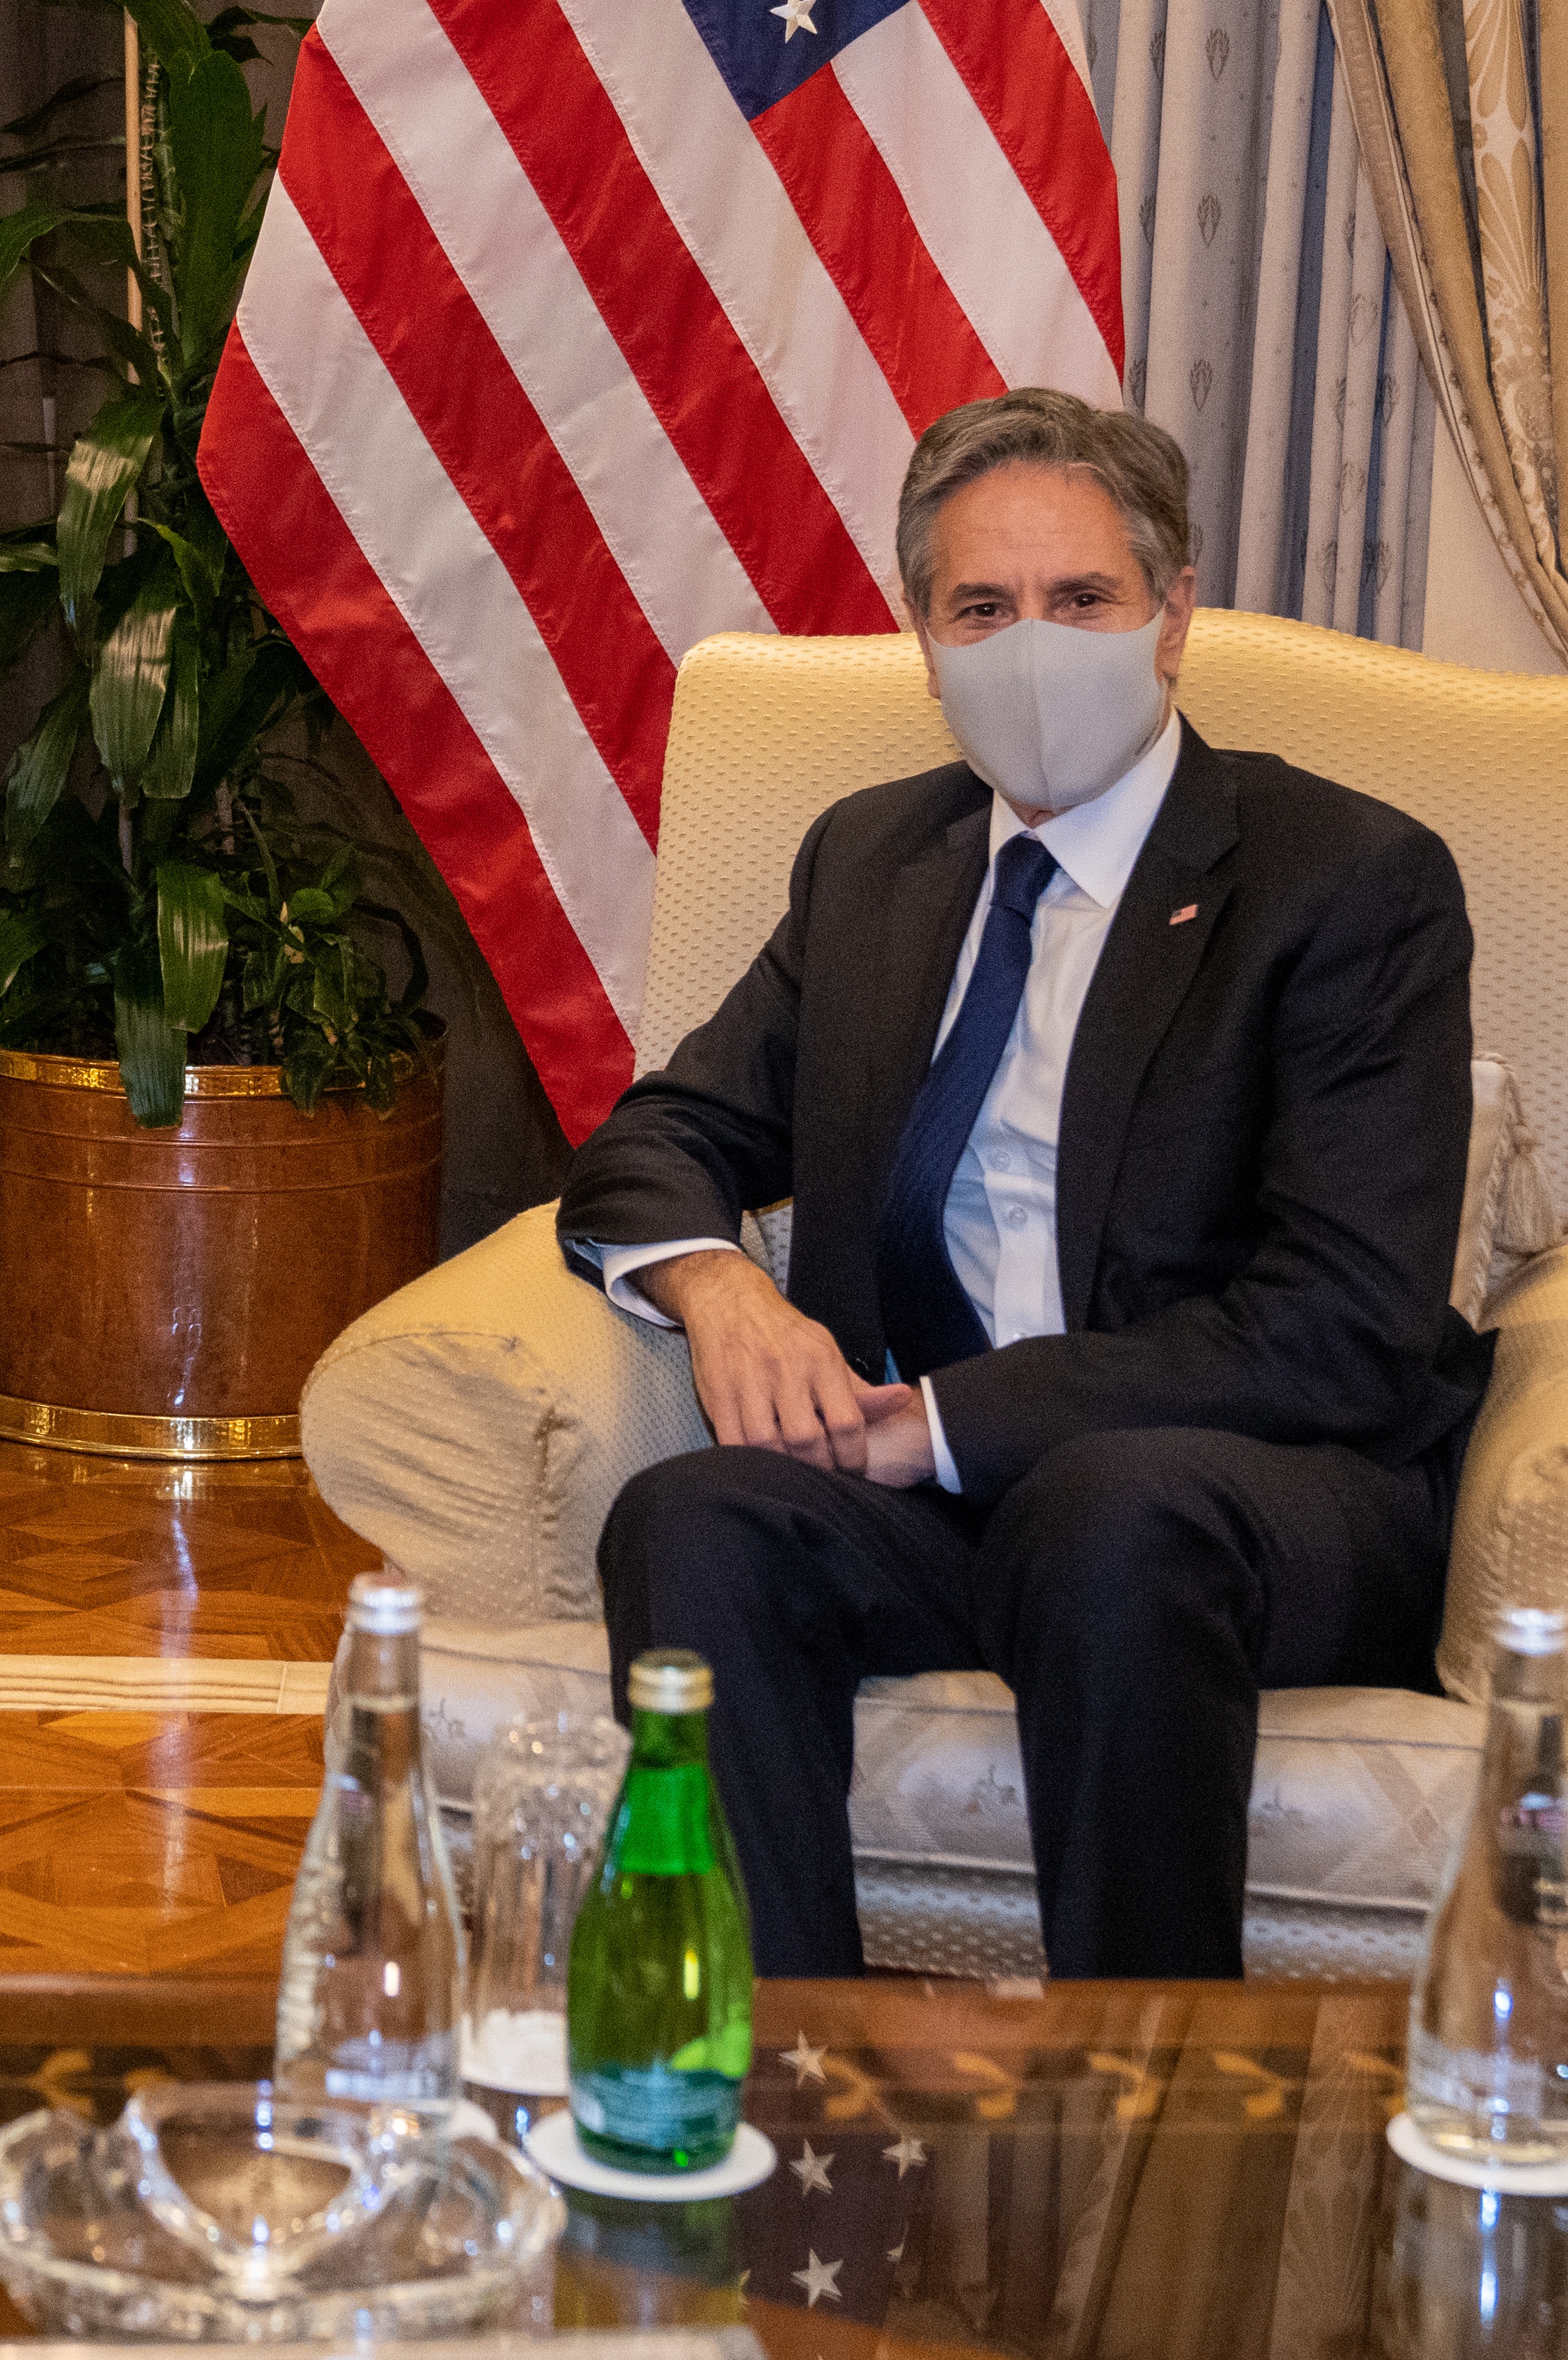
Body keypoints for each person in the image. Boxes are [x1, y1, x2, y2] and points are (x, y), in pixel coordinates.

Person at [566, 387, 1492, 1982]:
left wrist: (932, 1421)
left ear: (1172, 615)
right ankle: (794, 2100)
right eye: (981, 608)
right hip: (932, 1500)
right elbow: (662, 1134)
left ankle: (1142, 2131)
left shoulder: (1347, 879)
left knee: (1105, 1509)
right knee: (692, 1517)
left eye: (1081, 600)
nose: (1031, 645)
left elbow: (1341, 1325)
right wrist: (721, 1289)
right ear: (921, 640)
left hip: (1255, 1497)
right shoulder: (872, 859)